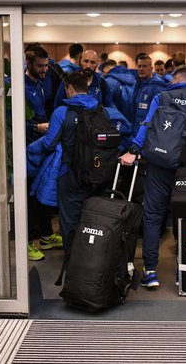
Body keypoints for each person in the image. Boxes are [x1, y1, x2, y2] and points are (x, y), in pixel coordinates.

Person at [120, 66, 186, 287]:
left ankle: (151, 271)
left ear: (175, 79)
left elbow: (146, 125)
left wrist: (133, 151)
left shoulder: (161, 96)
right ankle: (183, 271)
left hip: (158, 164)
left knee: (153, 214)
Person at [36, 72, 126, 256]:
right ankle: (94, 259)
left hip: (70, 175)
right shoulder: (103, 111)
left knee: (70, 221)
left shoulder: (62, 112)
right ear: (86, 88)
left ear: (69, 88)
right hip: (99, 174)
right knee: (94, 218)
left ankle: (73, 261)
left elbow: (49, 144)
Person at [24, 46, 63, 260]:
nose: (45, 70)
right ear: (28, 64)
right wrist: (36, 128)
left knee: (41, 193)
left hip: (40, 146)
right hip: (26, 148)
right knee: (28, 197)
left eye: (47, 65)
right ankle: (26, 242)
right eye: (40, 66)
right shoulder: (17, 87)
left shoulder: (41, 83)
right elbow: (9, 123)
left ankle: (46, 235)